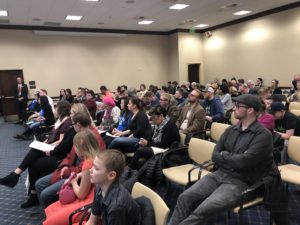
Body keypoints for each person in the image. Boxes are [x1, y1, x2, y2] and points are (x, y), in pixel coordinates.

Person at [168, 94, 281, 225]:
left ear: (250, 110)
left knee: (204, 209)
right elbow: (215, 155)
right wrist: (230, 157)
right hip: (220, 174)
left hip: (242, 181)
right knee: (185, 197)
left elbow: (244, 162)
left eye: (238, 106)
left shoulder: (263, 135)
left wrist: (225, 155)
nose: (234, 109)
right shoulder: (231, 129)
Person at [0, 101, 73, 208]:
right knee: (34, 153)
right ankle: (19, 179)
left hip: (58, 153)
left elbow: (60, 141)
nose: (54, 109)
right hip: (53, 147)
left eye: (56, 108)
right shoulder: (60, 120)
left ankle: (16, 176)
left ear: (61, 110)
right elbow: (53, 136)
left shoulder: (66, 122)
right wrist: (46, 142)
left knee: (33, 159)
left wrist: (48, 145)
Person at [36, 110, 105, 209]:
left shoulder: (89, 139)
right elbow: (70, 155)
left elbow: (86, 170)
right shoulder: (80, 136)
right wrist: (65, 166)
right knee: (39, 184)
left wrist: (70, 173)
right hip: (73, 171)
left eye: (73, 123)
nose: (72, 126)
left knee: (45, 194)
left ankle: (50, 211)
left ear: (78, 124)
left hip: (75, 175)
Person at [43, 129, 100, 225]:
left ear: (80, 147)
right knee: (52, 209)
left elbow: (81, 194)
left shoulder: (87, 163)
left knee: (51, 217)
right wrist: (80, 174)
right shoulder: (97, 157)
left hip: (90, 202)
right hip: (95, 197)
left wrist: (73, 182)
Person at [84, 150, 141, 225]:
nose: (90, 170)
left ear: (111, 175)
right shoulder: (99, 188)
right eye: (92, 166)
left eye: (96, 168)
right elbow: (92, 222)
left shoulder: (116, 207)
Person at [129, 105, 180, 169]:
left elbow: (164, 144)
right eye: (151, 118)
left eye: (153, 117)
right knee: (137, 146)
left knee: (140, 150)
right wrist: (145, 140)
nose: (152, 120)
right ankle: (136, 170)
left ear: (161, 116)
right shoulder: (158, 123)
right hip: (158, 146)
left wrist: (147, 143)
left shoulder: (170, 126)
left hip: (167, 150)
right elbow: (151, 137)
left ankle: (130, 169)